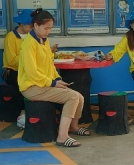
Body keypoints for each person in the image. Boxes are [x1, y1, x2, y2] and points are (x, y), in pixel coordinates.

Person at [19, 9, 89, 146]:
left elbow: (49, 64)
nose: (48, 31)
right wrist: (52, 83)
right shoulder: (28, 43)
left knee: (79, 97)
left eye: (50, 28)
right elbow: (32, 73)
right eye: (46, 28)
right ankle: (62, 137)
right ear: (36, 25)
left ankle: (73, 127)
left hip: (44, 84)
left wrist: (57, 79)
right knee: (72, 97)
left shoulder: (44, 40)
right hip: (31, 87)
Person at [1, 9, 34, 87]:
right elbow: (11, 60)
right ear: (22, 24)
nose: (31, 29)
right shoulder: (11, 37)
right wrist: (29, 58)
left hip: (29, 70)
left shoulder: (32, 37)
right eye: (30, 26)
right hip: (14, 71)